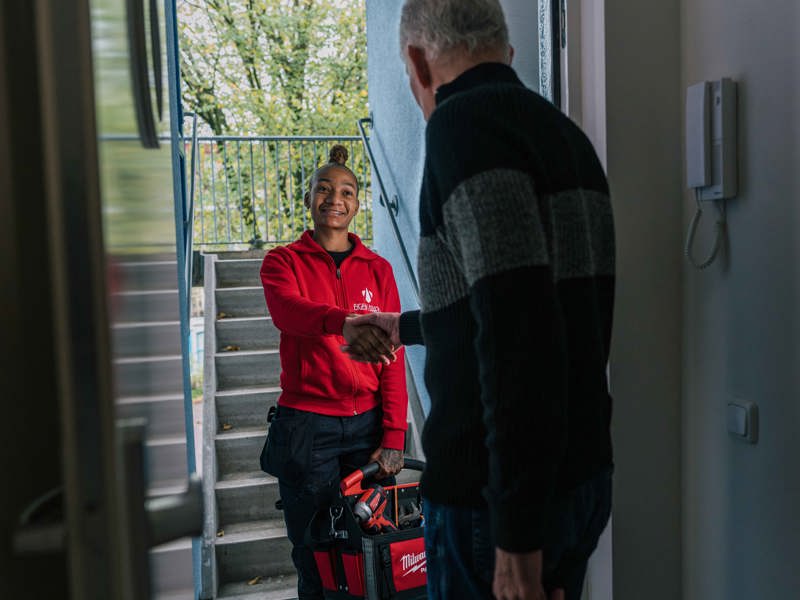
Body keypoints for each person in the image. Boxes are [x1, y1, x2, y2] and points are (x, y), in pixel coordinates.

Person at [342, 2, 616, 599]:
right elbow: (521, 298)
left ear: (417, 62)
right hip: (580, 479)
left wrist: (516, 539)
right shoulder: (566, 137)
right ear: (507, 53)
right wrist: (404, 325)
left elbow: (520, 333)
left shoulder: (461, 128)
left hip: (496, 505)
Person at [260, 145, 407, 600]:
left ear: (357, 204)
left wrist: (394, 436)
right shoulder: (282, 262)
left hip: (368, 429)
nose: (334, 198)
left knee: (373, 550)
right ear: (308, 199)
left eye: (345, 191)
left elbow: (393, 358)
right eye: (323, 189)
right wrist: (342, 321)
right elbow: (289, 312)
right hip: (307, 431)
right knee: (315, 556)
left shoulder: (378, 269)